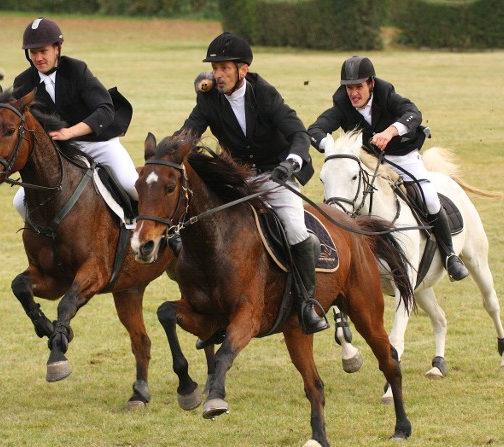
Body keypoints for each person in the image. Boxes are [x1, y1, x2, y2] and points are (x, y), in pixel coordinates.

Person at [178, 32, 329, 334]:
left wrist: (291, 163)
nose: (217, 74)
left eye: (224, 68)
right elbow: (190, 131)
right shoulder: (208, 98)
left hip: (276, 173)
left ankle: (307, 304)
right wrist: (170, 152)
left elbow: (299, 134)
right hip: (239, 176)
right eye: (214, 68)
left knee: (296, 230)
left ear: (242, 70)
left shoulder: (265, 95)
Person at [308, 55, 469, 281]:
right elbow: (315, 129)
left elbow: (413, 114)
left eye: (358, 87)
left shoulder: (386, 94)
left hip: (403, 157)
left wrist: (390, 132)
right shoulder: (342, 104)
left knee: (430, 199)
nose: (353, 93)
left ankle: (450, 256)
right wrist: (330, 147)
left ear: (371, 84)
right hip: (370, 159)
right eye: (349, 87)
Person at [11, 17, 139, 220]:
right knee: (19, 203)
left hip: (99, 143)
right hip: (60, 153)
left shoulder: (77, 70)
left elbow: (105, 109)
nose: (38, 58)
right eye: (33, 52)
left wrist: (70, 132)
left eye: (43, 51)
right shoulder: (23, 82)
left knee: (131, 184)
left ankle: (150, 234)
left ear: (57, 49)